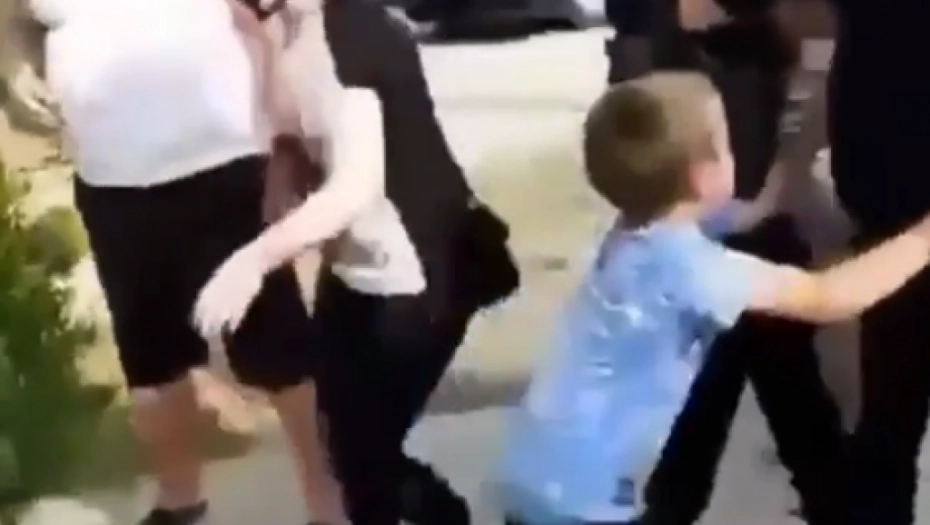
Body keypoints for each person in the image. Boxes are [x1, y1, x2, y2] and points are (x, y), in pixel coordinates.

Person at [496, 71, 930, 525]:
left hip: (537, 473)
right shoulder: (692, 269)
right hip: (586, 503)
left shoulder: (635, 230)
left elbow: (739, 218)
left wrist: (777, 187)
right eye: (725, 141)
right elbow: (830, 296)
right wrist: (922, 237)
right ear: (704, 176)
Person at [194, 1, 519, 525]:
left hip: (415, 276)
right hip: (353, 269)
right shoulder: (286, 28)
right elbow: (297, 131)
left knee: (367, 456)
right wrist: (284, 169)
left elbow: (353, 187)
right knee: (343, 443)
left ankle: (443, 514)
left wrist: (254, 260)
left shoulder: (352, 32)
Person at [32, 0, 344, 523]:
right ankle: (179, 503)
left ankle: (329, 506)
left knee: (279, 351)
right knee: (153, 363)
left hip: (221, 164)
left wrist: (287, 134)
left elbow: (269, 20)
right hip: (112, 181)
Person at [611, 2, 850, 524]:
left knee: (767, 397)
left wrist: (777, 188)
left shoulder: (765, 26)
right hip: (702, 240)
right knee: (734, 399)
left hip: (749, 231)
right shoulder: (651, 33)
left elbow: (817, 74)